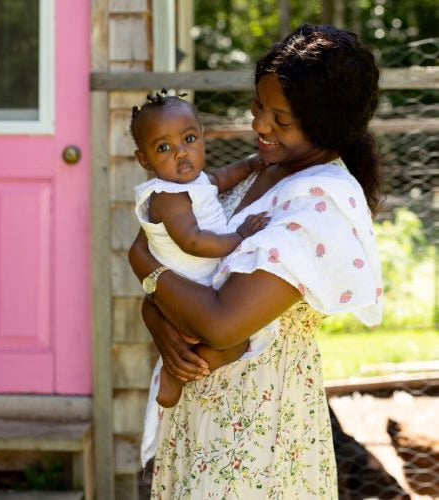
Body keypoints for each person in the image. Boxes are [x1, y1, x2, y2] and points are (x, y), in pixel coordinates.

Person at [129, 24, 384, 498]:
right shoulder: (263, 171)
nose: (260, 126)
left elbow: (221, 323)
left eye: (280, 119)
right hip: (203, 415)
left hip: (258, 437)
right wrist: (157, 319)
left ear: (325, 124)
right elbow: (183, 264)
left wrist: (144, 266)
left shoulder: (321, 202)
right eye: (258, 106)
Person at [130, 90, 270, 408]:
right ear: (144, 160)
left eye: (189, 139)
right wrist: (239, 237)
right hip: (186, 294)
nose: (181, 153)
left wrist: (251, 164)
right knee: (233, 343)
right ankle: (175, 375)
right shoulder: (167, 197)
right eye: (164, 148)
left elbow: (221, 178)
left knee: (235, 341)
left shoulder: (195, 182)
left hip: (195, 290)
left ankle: (183, 366)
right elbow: (191, 241)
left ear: (203, 137)